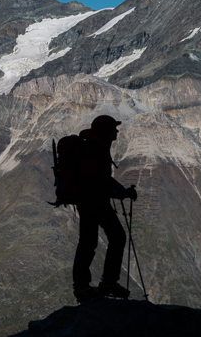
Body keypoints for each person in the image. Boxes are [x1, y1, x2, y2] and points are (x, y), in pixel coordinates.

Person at [72, 115, 137, 303]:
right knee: (115, 237)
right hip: (94, 202)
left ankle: (84, 286)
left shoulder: (95, 148)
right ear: (105, 131)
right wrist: (122, 193)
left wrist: (120, 192)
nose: (116, 132)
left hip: (89, 202)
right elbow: (98, 182)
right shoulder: (96, 151)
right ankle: (104, 283)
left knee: (89, 242)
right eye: (113, 129)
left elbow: (99, 181)